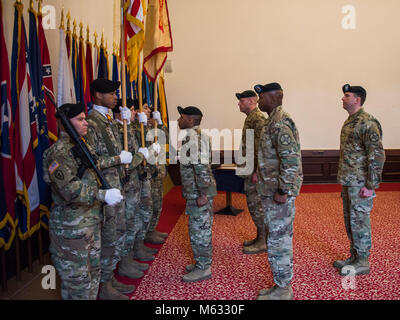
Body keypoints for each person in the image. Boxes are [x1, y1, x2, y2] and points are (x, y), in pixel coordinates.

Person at [43, 102, 123, 300]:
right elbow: (69, 190)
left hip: (91, 221)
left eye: (85, 118)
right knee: (77, 285)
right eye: (79, 119)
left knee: (93, 276)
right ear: (64, 124)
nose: (85, 122)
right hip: (72, 228)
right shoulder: (58, 153)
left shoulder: (82, 145)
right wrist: (102, 195)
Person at [85, 78, 134, 300]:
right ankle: (104, 286)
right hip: (104, 189)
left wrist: (129, 124)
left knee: (117, 233)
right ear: (97, 95)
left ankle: (110, 277)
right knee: (107, 238)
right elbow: (90, 160)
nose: (115, 97)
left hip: (117, 184)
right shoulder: (91, 123)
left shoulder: (107, 120)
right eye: (111, 93)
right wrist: (117, 158)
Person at [254, 83, 303, 300]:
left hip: (279, 192)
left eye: (261, 97)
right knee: (276, 237)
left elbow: (290, 159)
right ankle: (280, 285)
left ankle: (283, 289)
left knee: (279, 240)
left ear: (273, 98)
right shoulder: (271, 120)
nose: (258, 101)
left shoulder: (281, 122)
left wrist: (283, 189)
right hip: (272, 190)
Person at [334, 84, 385, 276]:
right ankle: (355, 256)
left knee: (360, 221)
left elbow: (377, 155)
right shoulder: (351, 121)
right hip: (349, 181)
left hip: (361, 183)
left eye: (346, 96)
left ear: (357, 99)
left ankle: (363, 261)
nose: (342, 98)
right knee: (350, 221)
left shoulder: (367, 122)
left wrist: (371, 185)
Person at [177, 106, 217, 282]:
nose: (179, 120)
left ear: (191, 120)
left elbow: (201, 167)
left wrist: (202, 193)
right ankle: (201, 263)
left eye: (182, 117)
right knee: (201, 228)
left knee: (199, 230)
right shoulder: (201, 135)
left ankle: (203, 268)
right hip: (199, 190)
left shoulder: (193, 138)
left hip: (199, 192)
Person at [235, 90, 268, 254]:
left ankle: (263, 241)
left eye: (241, 101)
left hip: (255, 172)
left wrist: (257, 171)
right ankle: (260, 236)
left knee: (257, 206)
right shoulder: (251, 118)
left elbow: (262, 148)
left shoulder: (258, 119)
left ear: (250, 101)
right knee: (254, 205)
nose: (239, 104)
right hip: (249, 170)